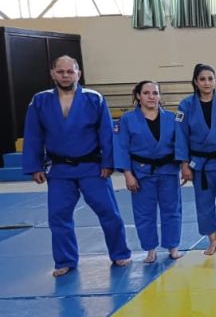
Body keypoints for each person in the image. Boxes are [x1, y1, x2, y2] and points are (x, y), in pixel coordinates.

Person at [22, 55, 131, 277]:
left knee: (109, 212)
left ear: (78, 74)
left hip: (92, 167)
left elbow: (106, 133)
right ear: (53, 74)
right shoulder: (40, 100)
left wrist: (108, 162)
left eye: (70, 71)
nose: (65, 75)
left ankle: (119, 252)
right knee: (58, 216)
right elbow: (33, 134)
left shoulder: (94, 98)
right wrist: (35, 166)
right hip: (59, 169)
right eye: (60, 72)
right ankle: (65, 260)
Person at [176, 64, 216, 255]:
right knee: (204, 205)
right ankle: (212, 240)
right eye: (202, 79)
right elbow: (181, 136)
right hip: (200, 164)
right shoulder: (186, 105)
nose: (207, 83)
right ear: (196, 82)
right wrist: (184, 164)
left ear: (215, 81)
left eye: (210, 78)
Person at [113, 80, 182, 263]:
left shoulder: (172, 118)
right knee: (144, 213)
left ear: (160, 96)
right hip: (141, 173)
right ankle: (150, 249)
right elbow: (121, 148)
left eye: (155, 93)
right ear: (138, 96)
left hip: (168, 170)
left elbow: (181, 144)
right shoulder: (127, 119)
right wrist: (128, 174)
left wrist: (184, 165)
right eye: (146, 93)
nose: (151, 97)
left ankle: (173, 246)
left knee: (172, 210)